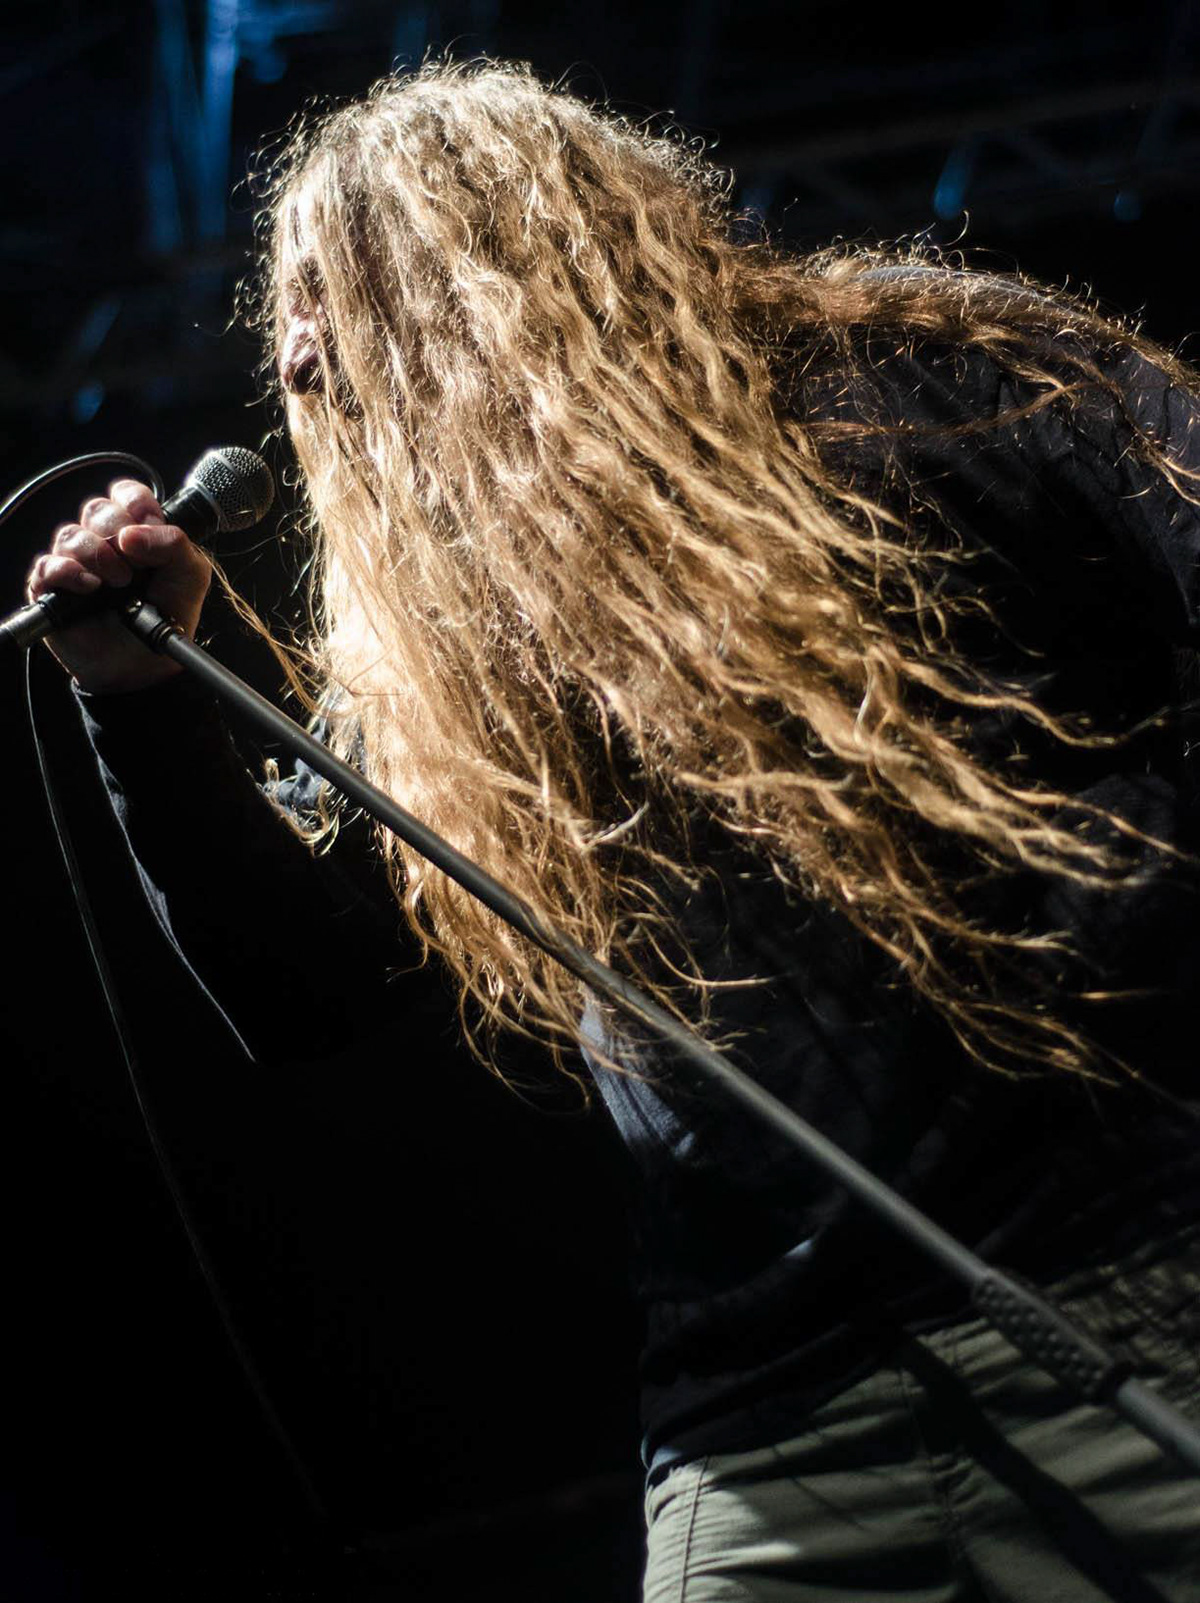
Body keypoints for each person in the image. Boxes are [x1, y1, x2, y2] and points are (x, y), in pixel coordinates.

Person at [26, 59, 1200, 1603]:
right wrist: (140, 701)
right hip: (765, 1420)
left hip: (1126, 1283)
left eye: (349, 285)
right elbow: (300, 990)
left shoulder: (923, 370)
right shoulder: (450, 666)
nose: (301, 352)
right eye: (290, 313)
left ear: (521, 252)